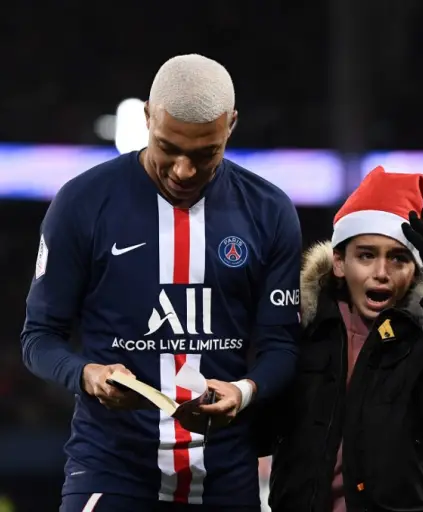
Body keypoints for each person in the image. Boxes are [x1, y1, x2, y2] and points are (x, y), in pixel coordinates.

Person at [21, 54, 302, 512]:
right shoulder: (82, 202)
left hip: (227, 475)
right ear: (148, 116)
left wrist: (245, 390)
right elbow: (38, 338)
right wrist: (86, 374)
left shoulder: (269, 211)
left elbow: (282, 346)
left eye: (205, 153)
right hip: (111, 468)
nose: (183, 170)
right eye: (168, 147)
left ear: (230, 125)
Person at [269, 166, 423, 512]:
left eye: (398, 258)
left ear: (417, 267)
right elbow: (262, 430)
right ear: (338, 262)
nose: (381, 272)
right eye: (366, 255)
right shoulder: (303, 327)